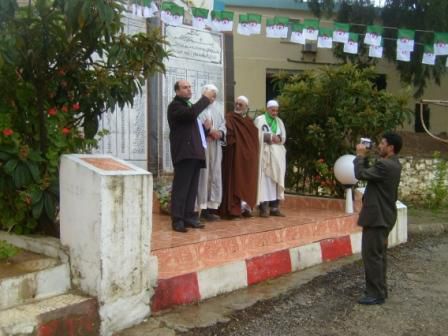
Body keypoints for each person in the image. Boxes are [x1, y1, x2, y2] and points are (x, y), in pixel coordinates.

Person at [354, 131, 403, 305]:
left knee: (372, 256)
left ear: (390, 147)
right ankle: (380, 291)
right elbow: (369, 173)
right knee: (379, 255)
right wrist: (365, 158)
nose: (379, 146)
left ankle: (375, 294)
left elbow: (360, 174)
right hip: (384, 215)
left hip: (378, 217)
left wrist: (360, 156)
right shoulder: (393, 163)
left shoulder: (385, 165)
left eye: (382, 143)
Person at [167, 79, 215, 233]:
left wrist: (205, 129)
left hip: (195, 152)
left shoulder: (188, 107)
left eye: (189, 87)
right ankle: (177, 219)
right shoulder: (175, 106)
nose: (189, 89)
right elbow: (190, 114)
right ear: (177, 91)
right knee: (181, 188)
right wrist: (206, 98)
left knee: (192, 188)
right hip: (184, 153)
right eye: (185, 87)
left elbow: (193, 129)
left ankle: (188, 217)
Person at [219, 96, 259, 219]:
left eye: (240, 104)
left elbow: (254, 139)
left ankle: (245, 208)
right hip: (234, 156)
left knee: (247, 181)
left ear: (246, 107)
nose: (237, 106)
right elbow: (228, 135)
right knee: (235, 181)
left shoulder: (249, 122)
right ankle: (234, 210)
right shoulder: (229, 118)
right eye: (236, 103)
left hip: (248, 158)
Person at [196, 84, 226, 221]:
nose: (212, 99)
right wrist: (208, 131)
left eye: (214, 96)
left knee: (214, 175)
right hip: (203, 147)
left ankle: (209, 208)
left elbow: (223, 126)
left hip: (215, 147)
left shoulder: (218, 111)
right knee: (203, 176)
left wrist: (219, 133)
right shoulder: (197, 109)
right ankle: (198, 208)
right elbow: (195, 127)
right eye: (210, 96)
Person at [254, 100, 287, 217]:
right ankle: (263, 208)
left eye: (276, 110)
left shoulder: (279, 121)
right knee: (265, 182)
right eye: (273, 110)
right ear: (267, 109)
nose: (275, 113)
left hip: (277, 156)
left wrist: (279, 138)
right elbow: (255, 135)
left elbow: (283, 137)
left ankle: (274, 207)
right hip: (265, 156)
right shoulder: (260, 119)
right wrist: (268, 137)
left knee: (276, 181)